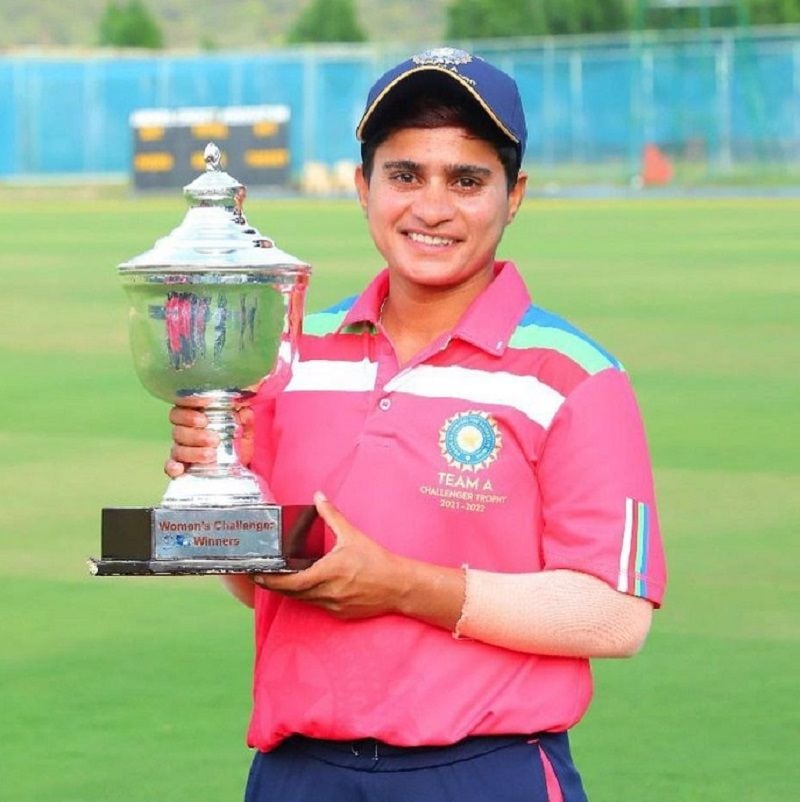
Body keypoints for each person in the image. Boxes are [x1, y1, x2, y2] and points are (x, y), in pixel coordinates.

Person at [166, 48, 666, 802]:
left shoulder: (572, 376)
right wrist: (210, 497)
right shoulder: (289, 357)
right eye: (405, 175)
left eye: (467, 180)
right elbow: (257, 581)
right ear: (363, 187)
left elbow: (613, 616)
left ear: (514, 194)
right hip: (299, 771)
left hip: (482, 770)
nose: (432, 207)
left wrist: (405, 588)